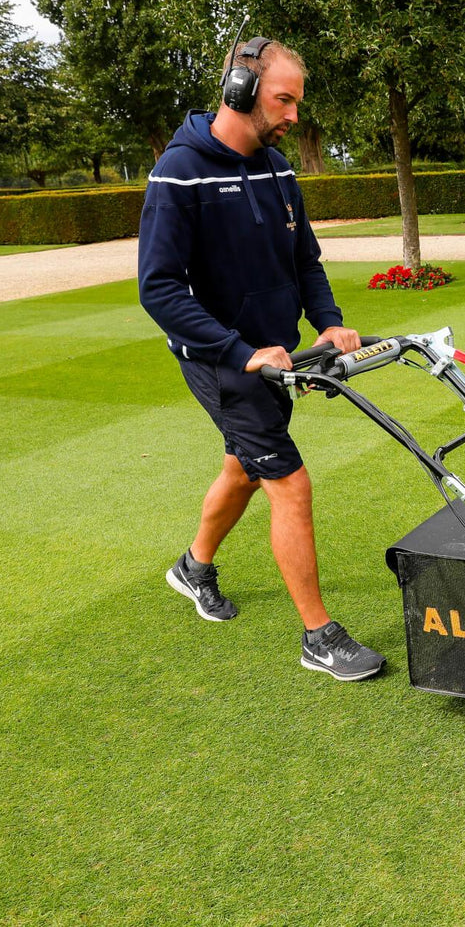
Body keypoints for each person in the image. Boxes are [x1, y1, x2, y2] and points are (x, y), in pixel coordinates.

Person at [137, 36, 385, 682]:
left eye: (297, 102)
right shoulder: (179, 172)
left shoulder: (277, 170)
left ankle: (193, 565)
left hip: (274, 355)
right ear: (240, 92)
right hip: (222, 358)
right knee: (288, 482)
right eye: (283, 100)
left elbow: (304, 261)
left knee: (243, 467)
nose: (293, 116)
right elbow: (158, 288)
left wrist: (329, 325)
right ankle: (318, 635)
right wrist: (239, 353)